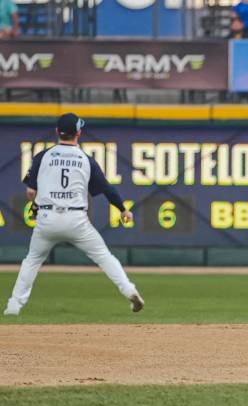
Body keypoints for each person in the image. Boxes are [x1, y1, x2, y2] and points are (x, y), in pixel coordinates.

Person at [4, 113, 145, 316]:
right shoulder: (86, 160)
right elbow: (107, 189)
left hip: (47, 219)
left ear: (57, 132)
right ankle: (129, 290)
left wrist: (36, 202)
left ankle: (13, 307)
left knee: (32, 261)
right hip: (76, 220)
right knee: (104, 257)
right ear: (78, 132)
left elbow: (31, 192)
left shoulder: (43, 156)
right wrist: (123, 209)